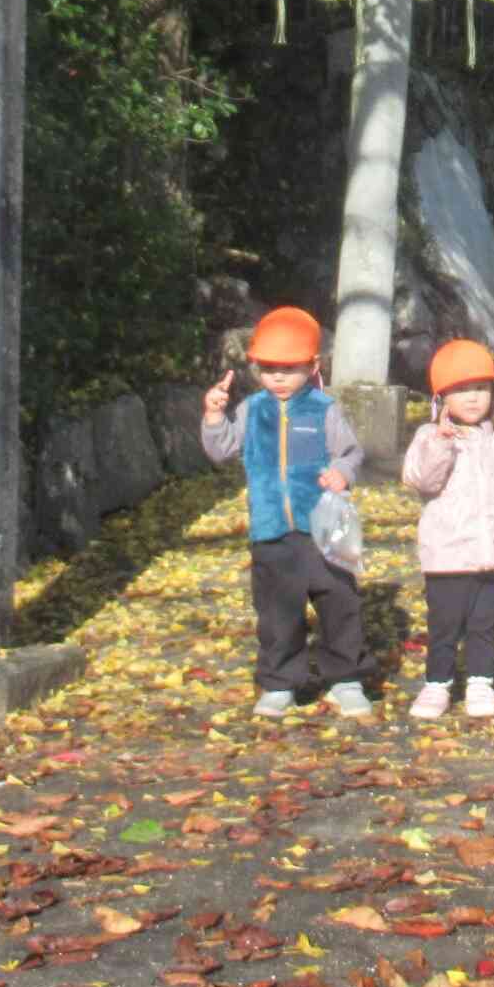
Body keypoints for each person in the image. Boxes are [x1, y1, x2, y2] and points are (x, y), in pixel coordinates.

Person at [200, 306, 371, 721]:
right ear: (255, 367)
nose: (278, 377)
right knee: (278, 613)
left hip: (322, 530)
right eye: (268, 368)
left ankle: (346, 677)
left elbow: (350, 452)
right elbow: (221, 451)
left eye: (289, 368)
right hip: (272, 531)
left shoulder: (323, 409)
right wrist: (213, 415)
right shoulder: (251, 410)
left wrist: (342, 474)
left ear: (313, 366)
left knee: (338, 603)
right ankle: (279, 682)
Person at [398, 339, 494, 722]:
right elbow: (420, 480)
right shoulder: (429, 437)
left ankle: (480, 681)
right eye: (461, 390)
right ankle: (438, 683)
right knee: (443, 625)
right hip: (445, 556)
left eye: (480, 388)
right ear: (442, 397)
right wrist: (441, 445)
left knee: (484, 625)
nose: (473, 398)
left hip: (488, 556)